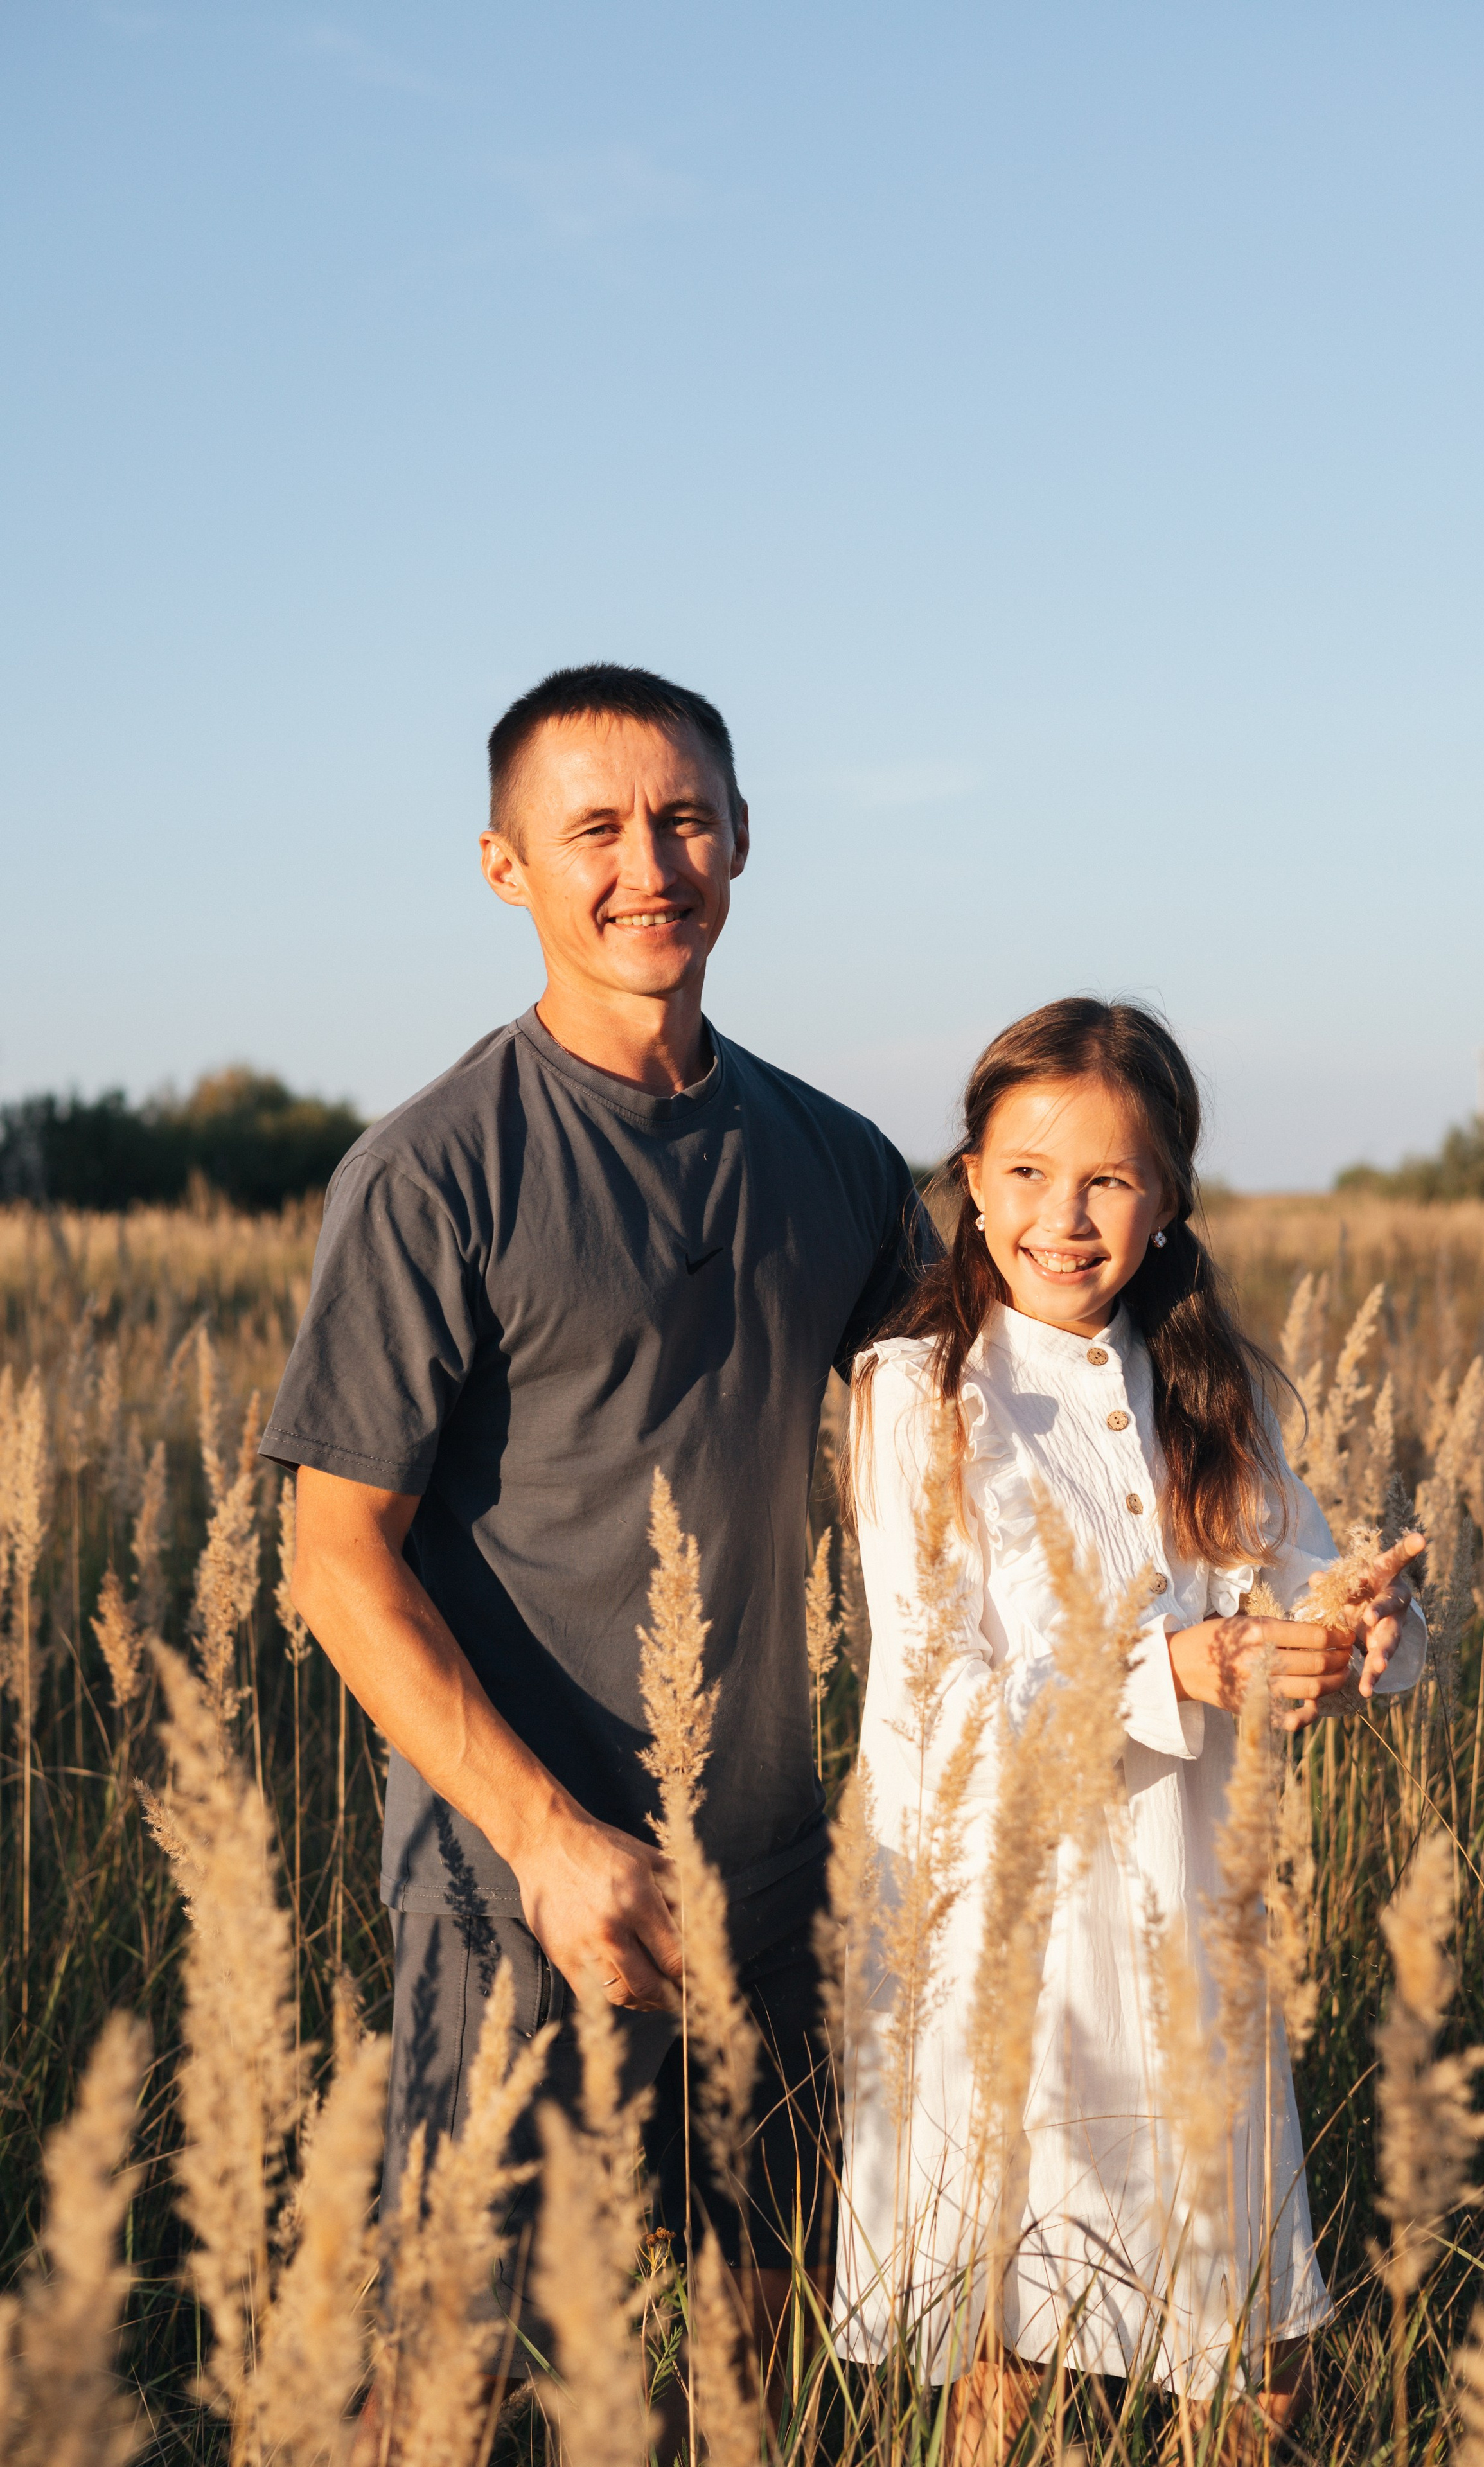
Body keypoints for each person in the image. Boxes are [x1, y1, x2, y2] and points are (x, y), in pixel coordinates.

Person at [262, 663, 926, 2445]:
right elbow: (337, 1561)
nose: (652, 863)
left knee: (760, 2343)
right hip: (514, 1893)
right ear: (507, 868)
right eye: (598, 829)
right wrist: (549, 1844)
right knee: (454, 2366)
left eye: (686, 818)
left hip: (779, 1872)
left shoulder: (843, 1168)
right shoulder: (434, 1171)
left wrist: (1255, 1569)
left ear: (744, 840)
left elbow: (988, 1453)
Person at [831, 996, 1426, 2457]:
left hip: (1186, 1935)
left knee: (1248, 2364)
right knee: (1002, 2365)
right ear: (970, 1180)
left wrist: (1367, 1635)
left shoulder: (1205, 1393)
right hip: (993, 1951)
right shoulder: (919, 1396)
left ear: (1164, 1203)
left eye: (1108, 1179)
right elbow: (933, 1694)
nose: (1064, 1217)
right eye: (1026, 1173)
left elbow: (1304, 1584)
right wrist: (1178, 1670)